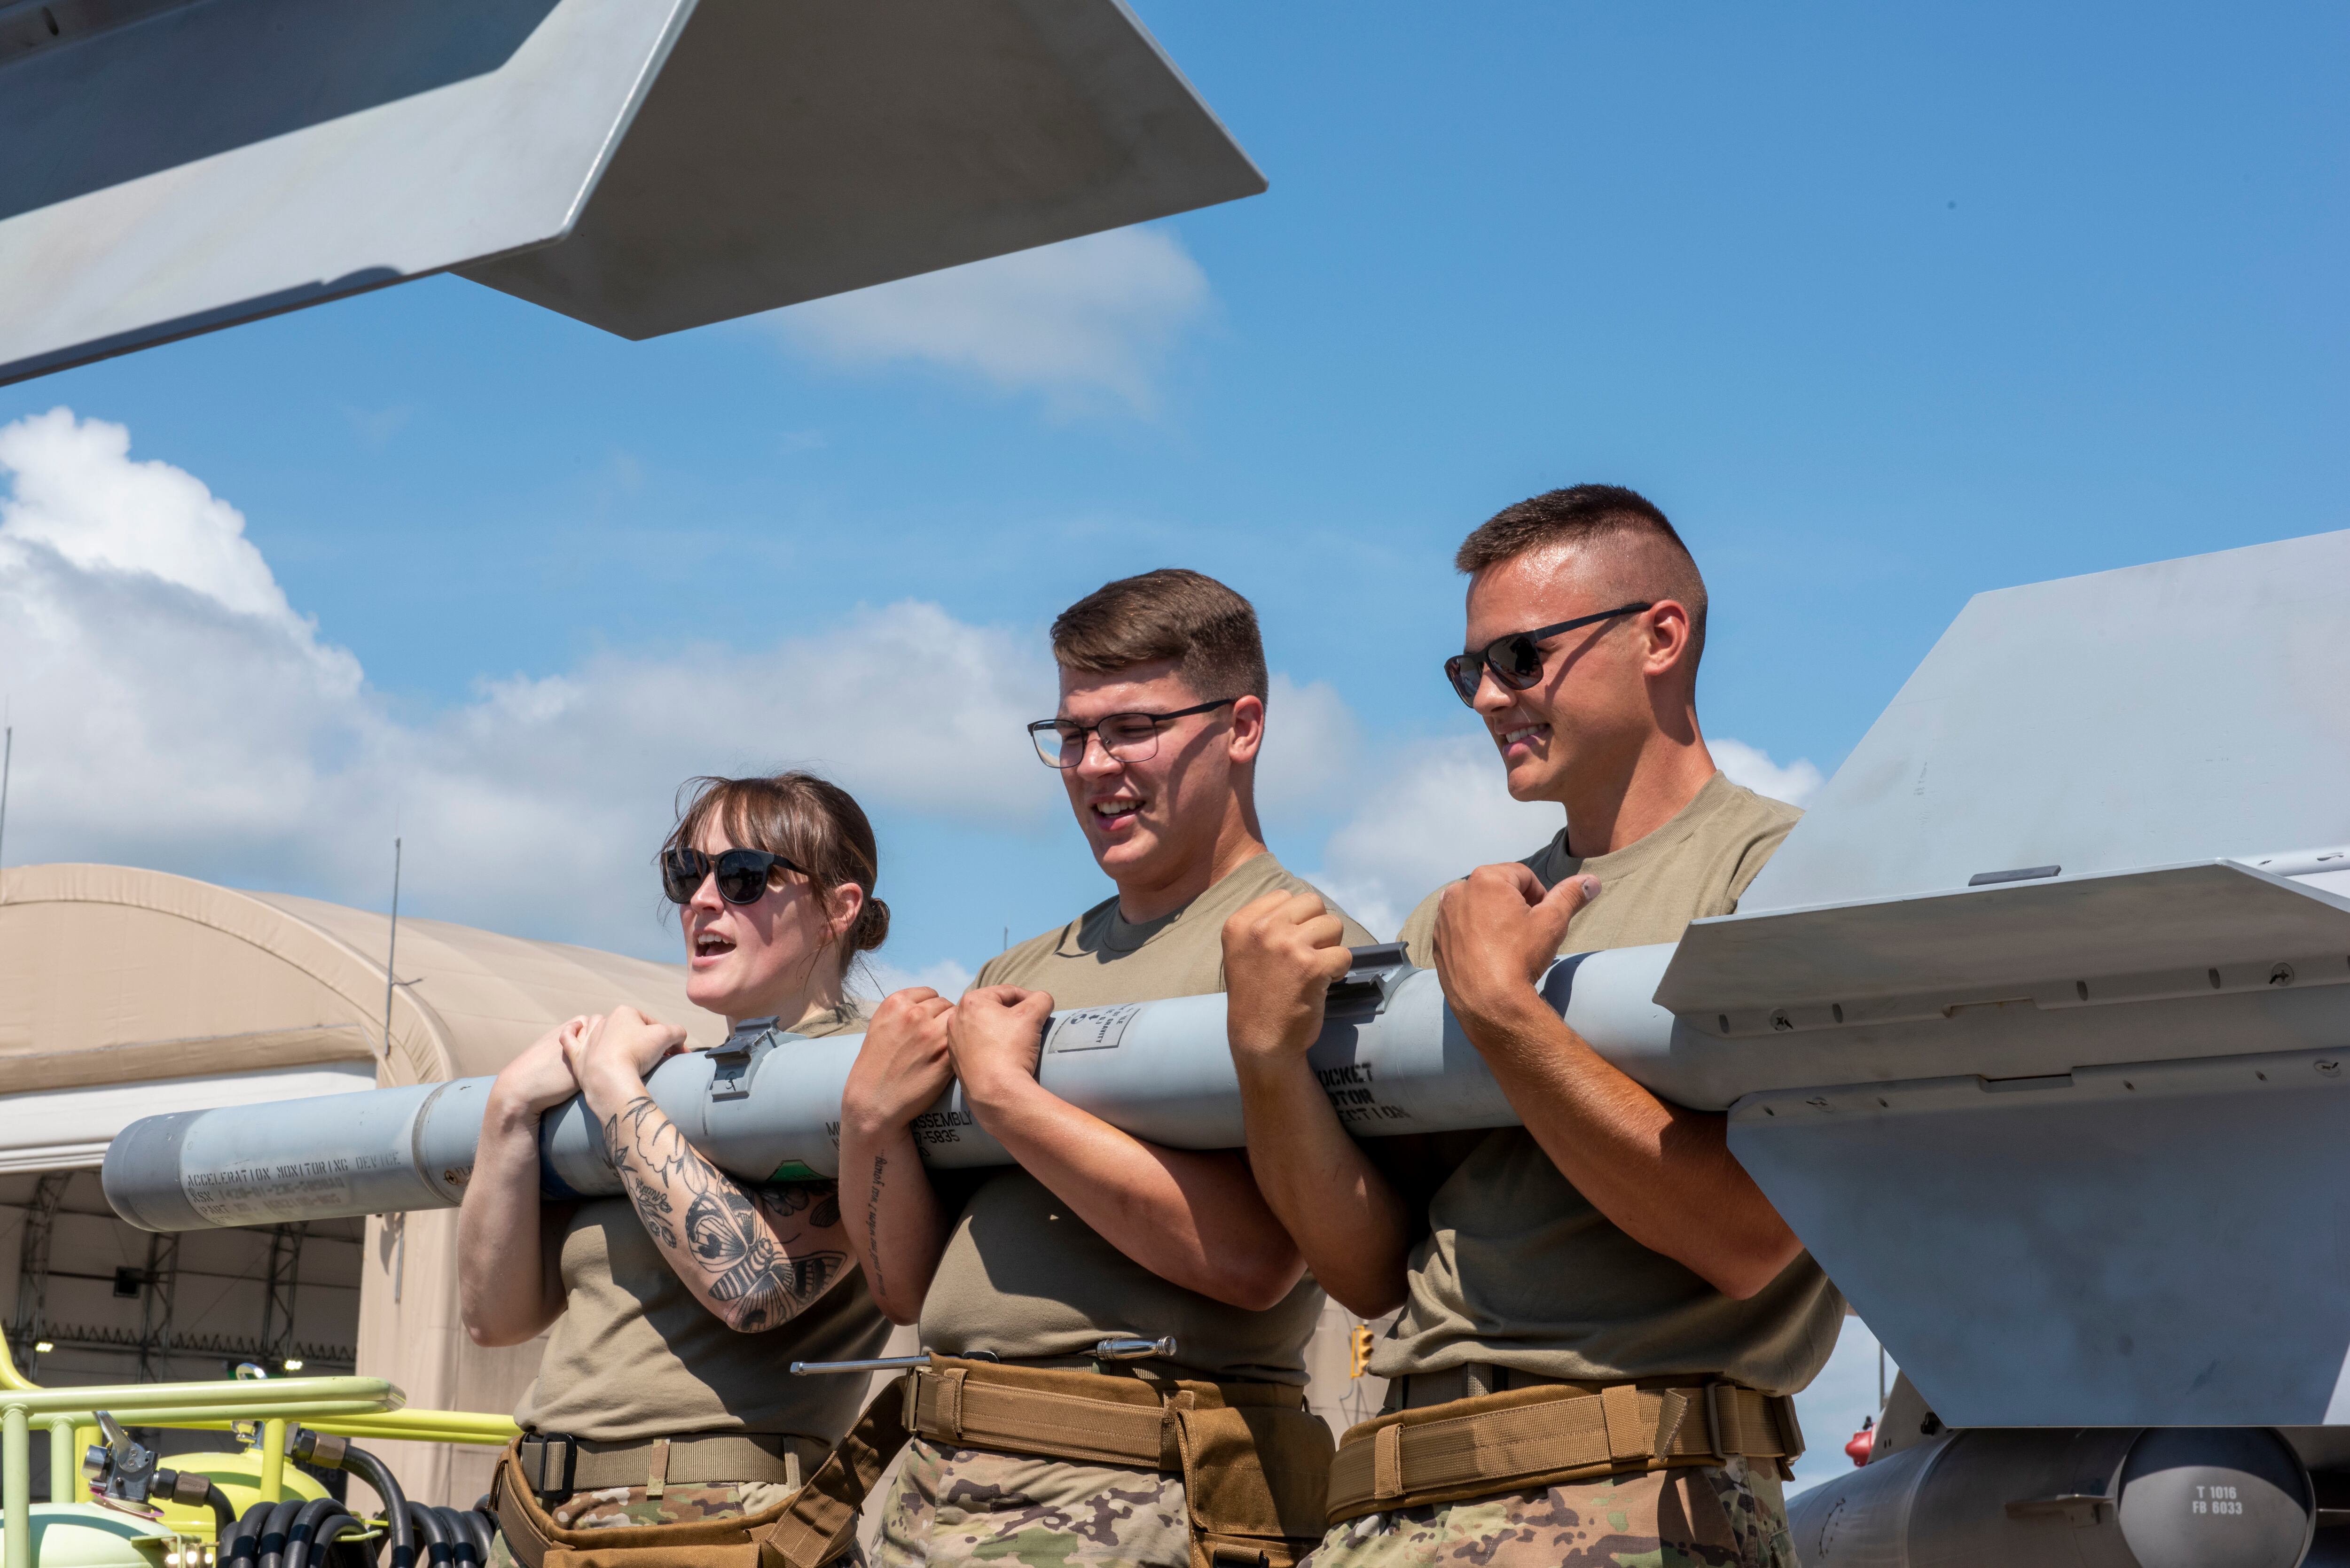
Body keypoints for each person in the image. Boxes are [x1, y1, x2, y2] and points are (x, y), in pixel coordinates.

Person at [1222, 487, 1844, 1568]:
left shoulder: (1790, 875)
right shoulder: (1462, 915)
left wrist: (1506, 1015)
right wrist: (1268, 1061)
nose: (1485, 698)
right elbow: (1373, 1272)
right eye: (1470, 670)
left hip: (1631, 1499)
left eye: (1520, 657)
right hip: (1393, 1496)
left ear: (1660, 636)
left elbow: (1748, 1240)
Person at [838, 569, 1375, 1568]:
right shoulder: (1020, 971)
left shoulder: (1295, 947)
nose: (1092, 765)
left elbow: (1257, 1262)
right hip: (937, 1488)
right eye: (1071, 735)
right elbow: (907, 1289)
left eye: (1132, 728)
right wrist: (870, 1122)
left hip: (1132, 1495)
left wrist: (1004, 1096)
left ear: (1242, 726)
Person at [461, 772, 937, 1568]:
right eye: (688, 873)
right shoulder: (673, 1092)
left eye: (745, 875)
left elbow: (755, 1287)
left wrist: (613, 1085)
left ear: (838, 907)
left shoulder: (864, 1075)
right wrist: (509, 1111)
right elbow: (494, 1319)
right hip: (535, 1521)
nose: (703, 901)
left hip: (709, 1529)